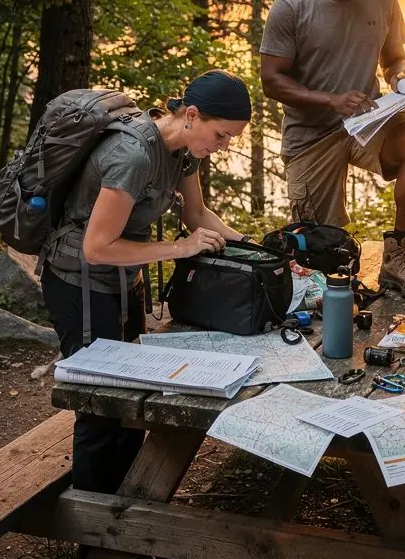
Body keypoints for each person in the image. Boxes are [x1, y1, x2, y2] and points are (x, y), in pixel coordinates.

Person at [40, 69, 253, 493]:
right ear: (191, 115)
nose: (223, 146)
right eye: (222, 135)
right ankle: (93, 539)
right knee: (99, 406)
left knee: (135, 398)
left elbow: (197, 216)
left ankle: (127, 508)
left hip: (124, 279)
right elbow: (97, 247)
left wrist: (256, 249)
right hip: (79, 282)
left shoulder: (183, 154)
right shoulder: (131, 156)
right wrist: (180, 249)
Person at [260, 0, 405, 301]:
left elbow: (394, 57)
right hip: (312, 136)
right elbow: (271, 80)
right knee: (324, 258)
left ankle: (398, 259)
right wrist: (332, 101)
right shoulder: (291, 7)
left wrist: (400, 77)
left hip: (368, 123)